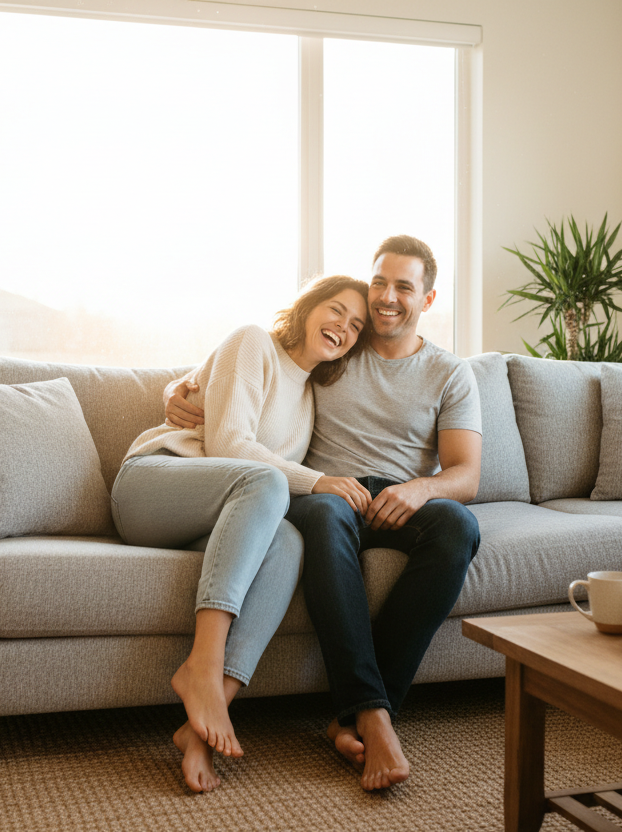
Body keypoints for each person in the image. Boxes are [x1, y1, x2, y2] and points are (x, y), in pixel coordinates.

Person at [165, 235, 482, 791]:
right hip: (324, 495)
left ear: (427, 300)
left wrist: (421, 490)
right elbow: (243, 369)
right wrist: (178, 388)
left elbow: (466, 474)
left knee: (459, 527)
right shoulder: (339, 349)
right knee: (324, 517)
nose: (386, 297)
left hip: (401, 498)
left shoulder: (450, 374)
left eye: (403, 287)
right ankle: (375, 717)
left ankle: (352, 713)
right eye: (379, 282)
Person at [112, 275, 370, 794]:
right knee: (266, 478)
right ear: (308, 307)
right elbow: (230, 442)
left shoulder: (311, 399)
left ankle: (203, 724)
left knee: (290, 543)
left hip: (210, 516)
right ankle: (202, 667)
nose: (344, 326)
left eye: (356, 325)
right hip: (153, 484)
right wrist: (320, 481)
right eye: (336, 310)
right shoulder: (253, 341)